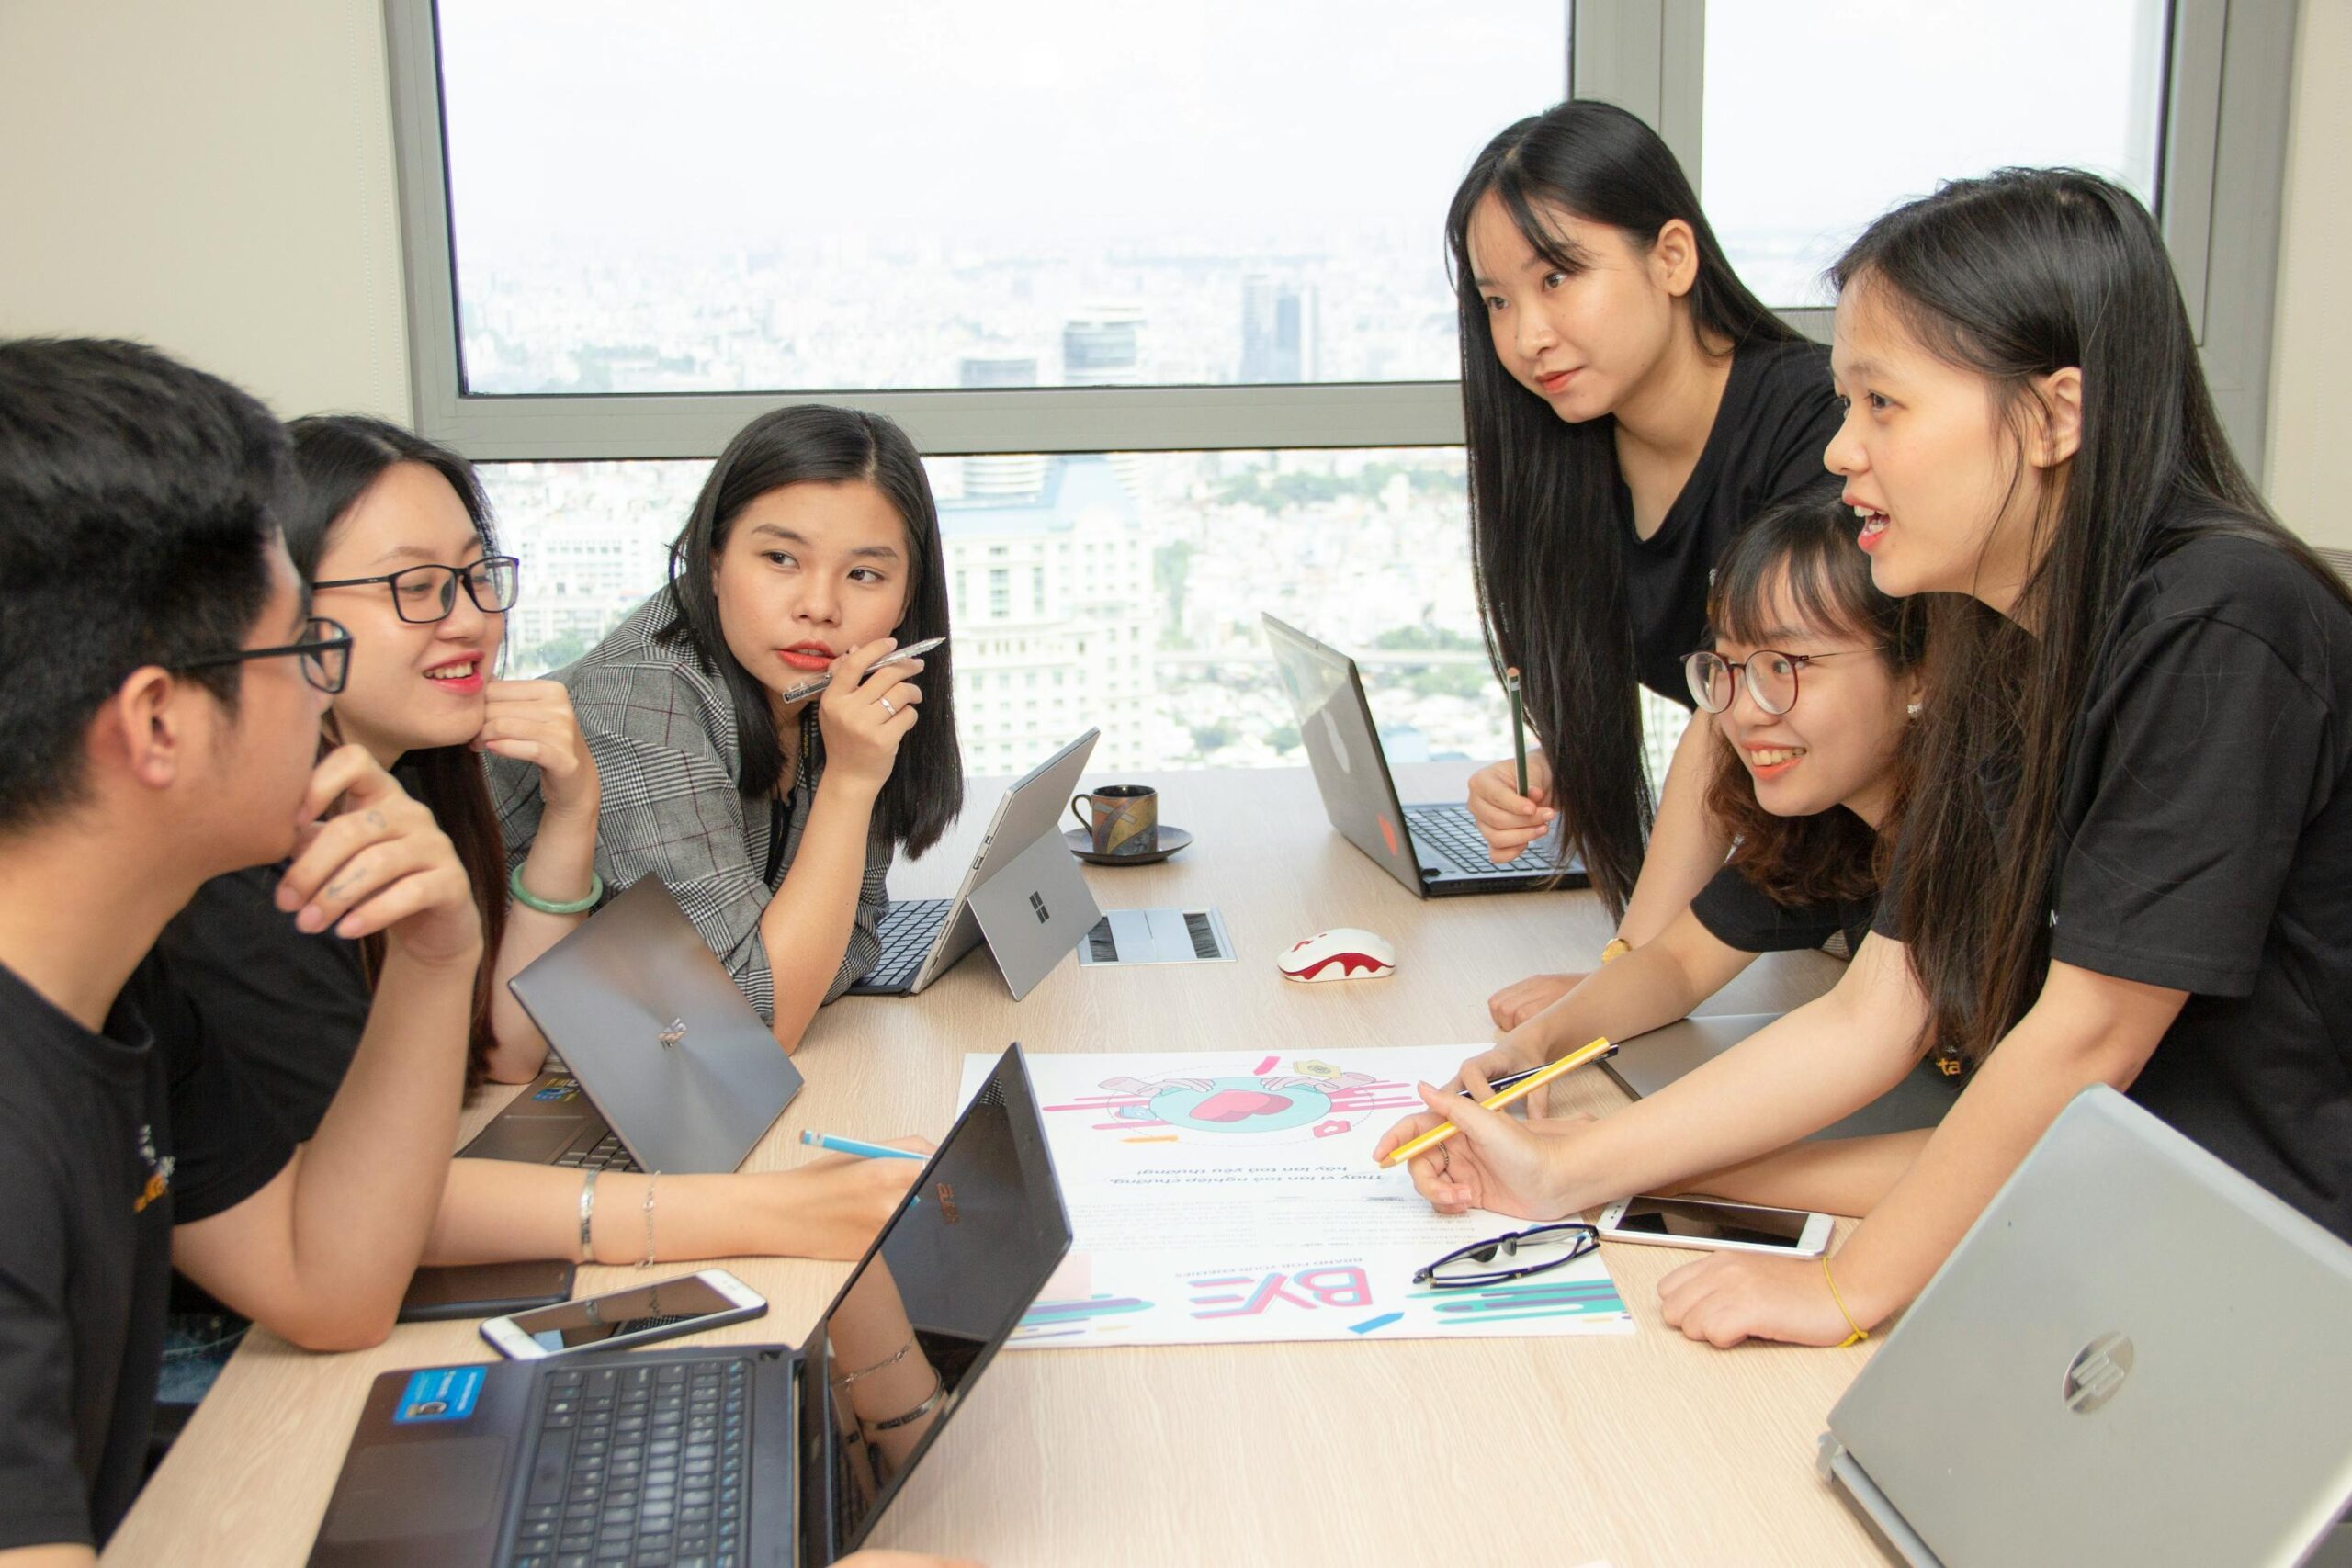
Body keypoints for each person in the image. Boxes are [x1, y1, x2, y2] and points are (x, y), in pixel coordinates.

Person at [1376, 167, 2352, 1348]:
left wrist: (1845, 1292)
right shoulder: (2002, 645)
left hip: (2274, 1267)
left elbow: (2089, 1034)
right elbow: (1871, 1014)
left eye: (1882, 406)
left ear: (2053, 417)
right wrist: (1557, 1168)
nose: (1840, 453)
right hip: (2110, 1214)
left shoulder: (2220, 623)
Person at [0, 337, 482, 1556]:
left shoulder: (120, 977)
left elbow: (328, 1282)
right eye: (300, 653)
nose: (325, 697)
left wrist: (434, 960)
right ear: (158, 719)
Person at [1447, 100, 1847, 1032]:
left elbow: (1734, 713)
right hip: (1791, 909)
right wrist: (1558, 759)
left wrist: (1630, 971)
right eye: (1498, 300)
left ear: (1671, 257)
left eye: (1557, 277)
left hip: (1885, 894)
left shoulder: (1815, 427)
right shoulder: (1568, 452)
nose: (1526, 334)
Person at [493, 405, 962, 1053]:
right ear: (712, 560)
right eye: (780, 557)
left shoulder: (829, 691)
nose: (820, 607)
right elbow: (748, 1025)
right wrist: (851, 783)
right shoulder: (638, 702)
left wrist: (785, 958)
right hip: (482, 1068)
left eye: (864, 574)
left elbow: (852, 936)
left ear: (907, 597)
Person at [1456, 492, 1923, 1119]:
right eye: (1727, 668)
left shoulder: (1975, 838)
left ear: (1920, 669)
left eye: (1786, 665)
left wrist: (1599, 1157)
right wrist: (1531, 1046)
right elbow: (1677, 963)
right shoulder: (1825, 825)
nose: (1746, 709)